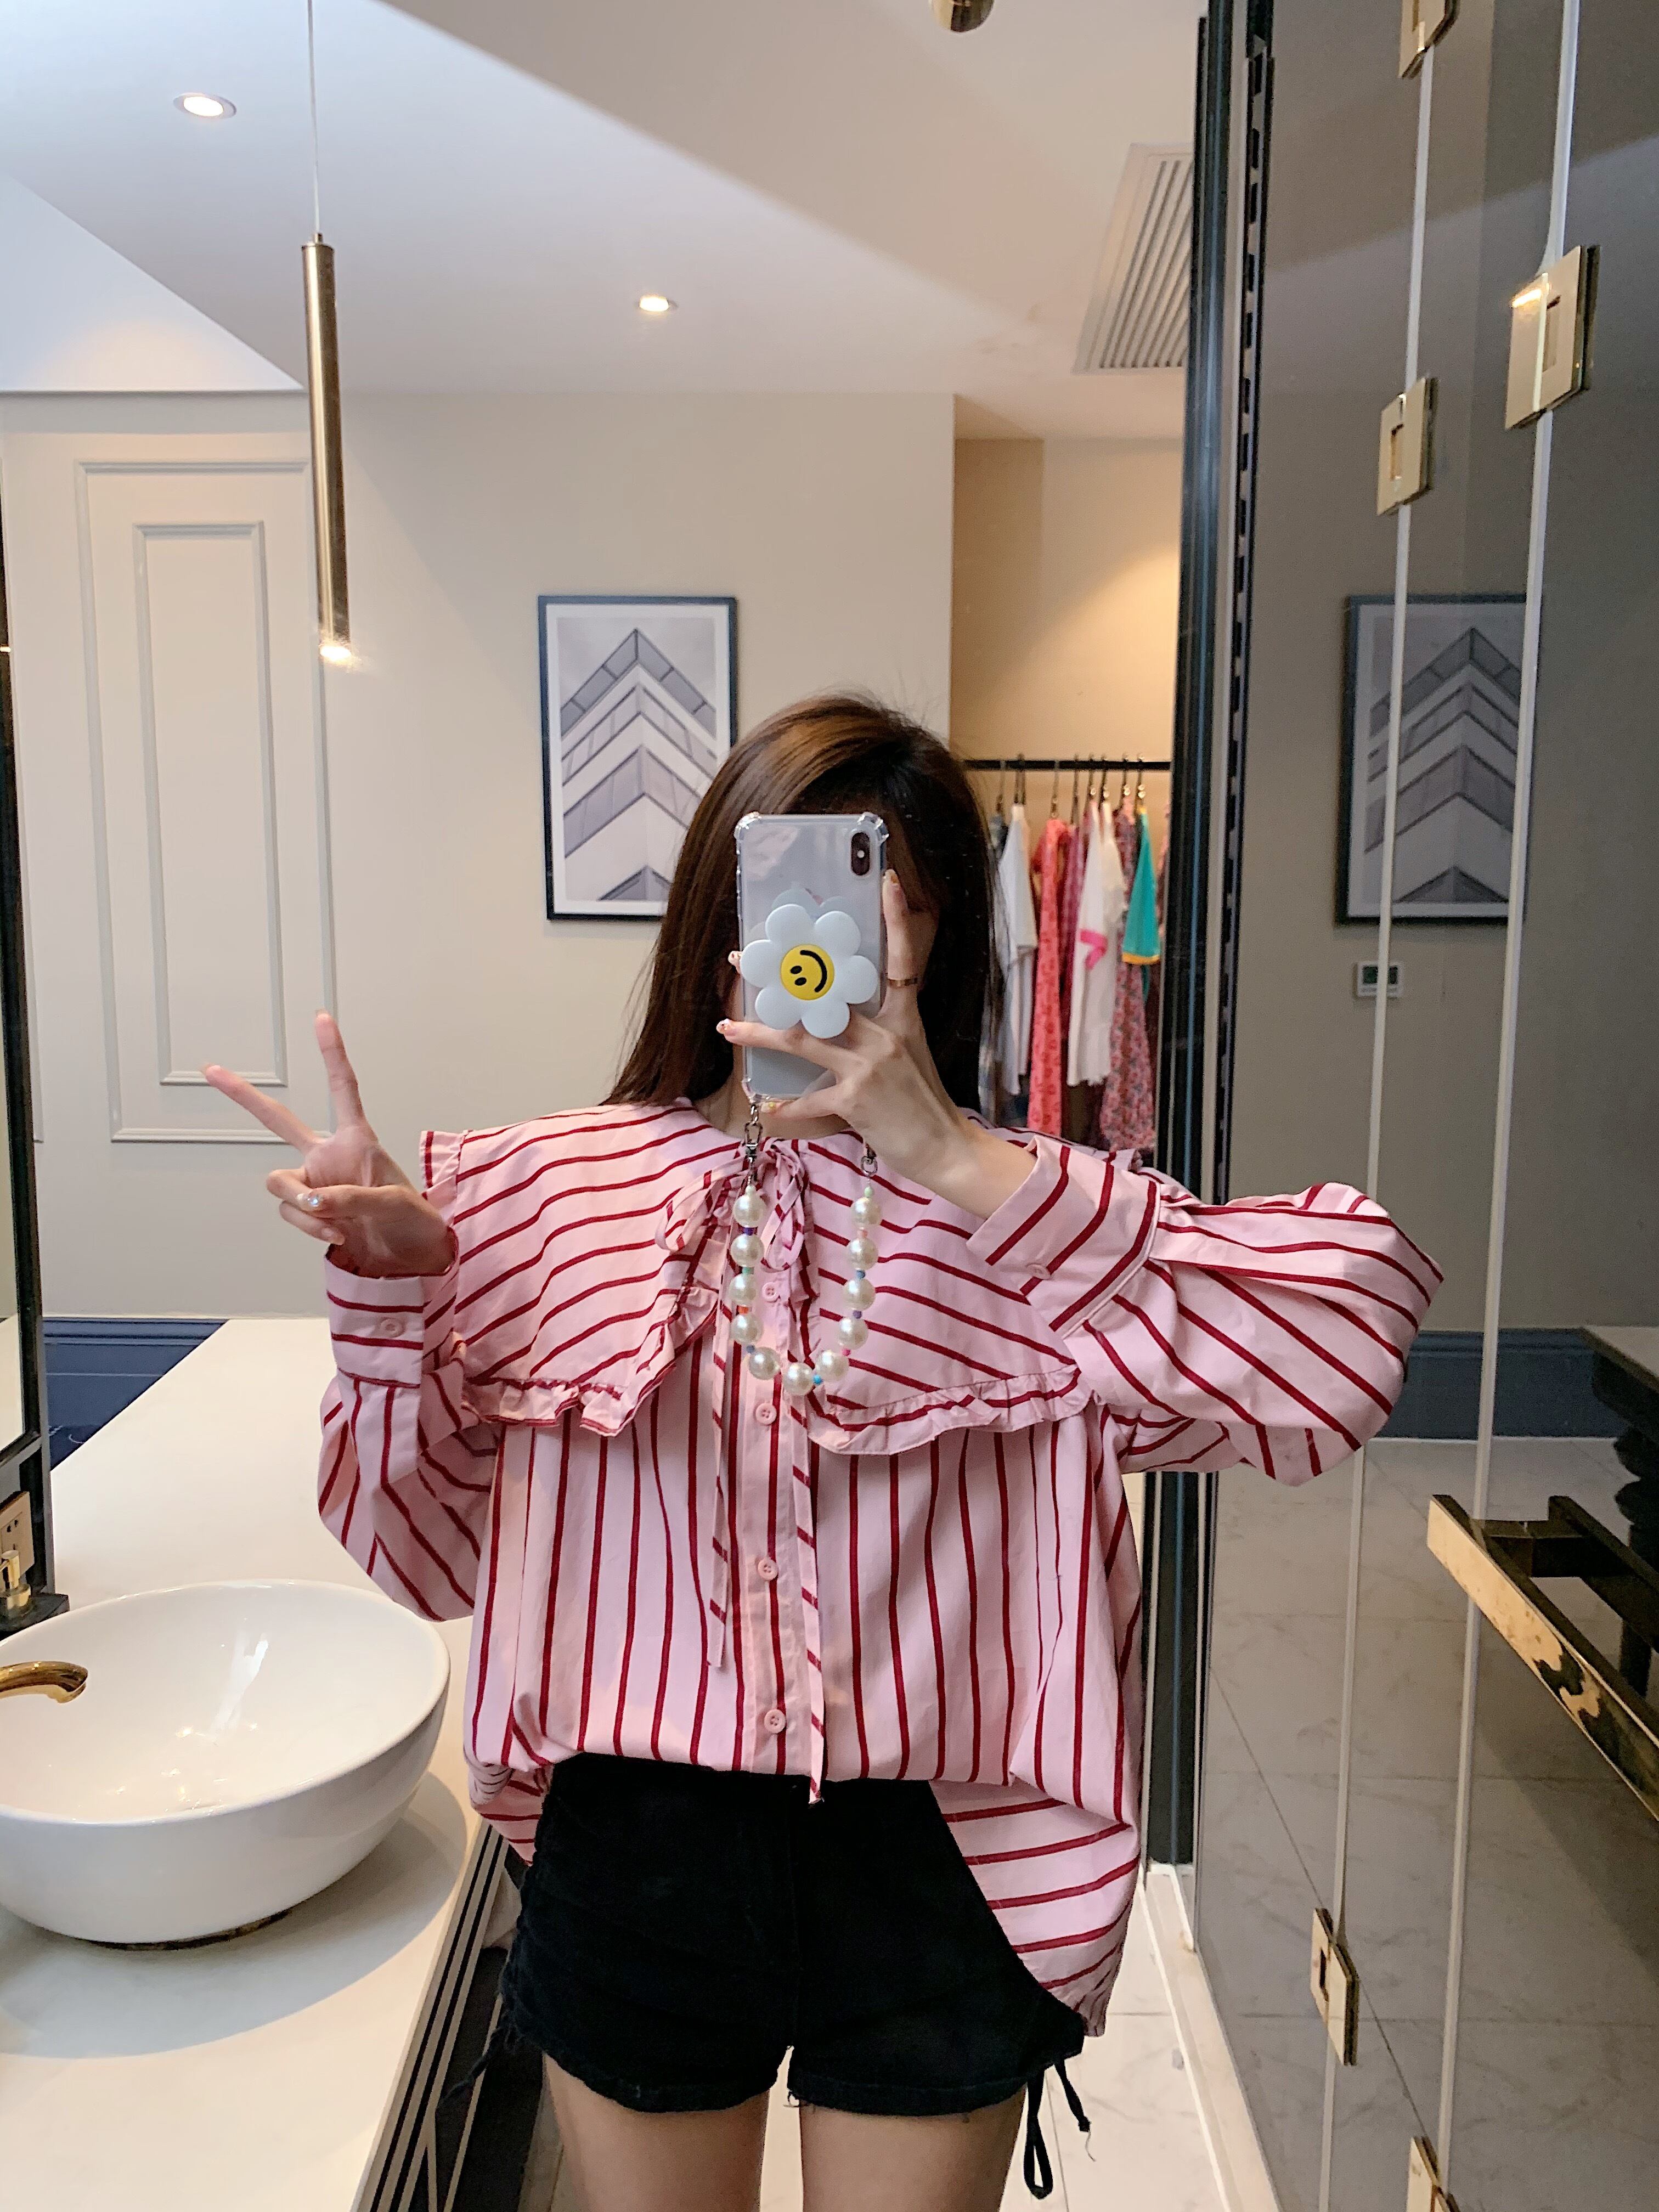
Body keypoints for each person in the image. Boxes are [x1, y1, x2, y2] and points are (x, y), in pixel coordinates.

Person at [207, 695, 1437, 2212]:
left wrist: (956, 1157)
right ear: (717, 922)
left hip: (944, 1851)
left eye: (884, 915)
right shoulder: (541, 1193)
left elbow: (1348, 1347)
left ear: (942, 944)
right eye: (794, 898)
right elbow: (421, 1560)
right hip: (639, 1845)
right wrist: (394, 1300)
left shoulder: (1023, 1211)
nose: (827, 952)